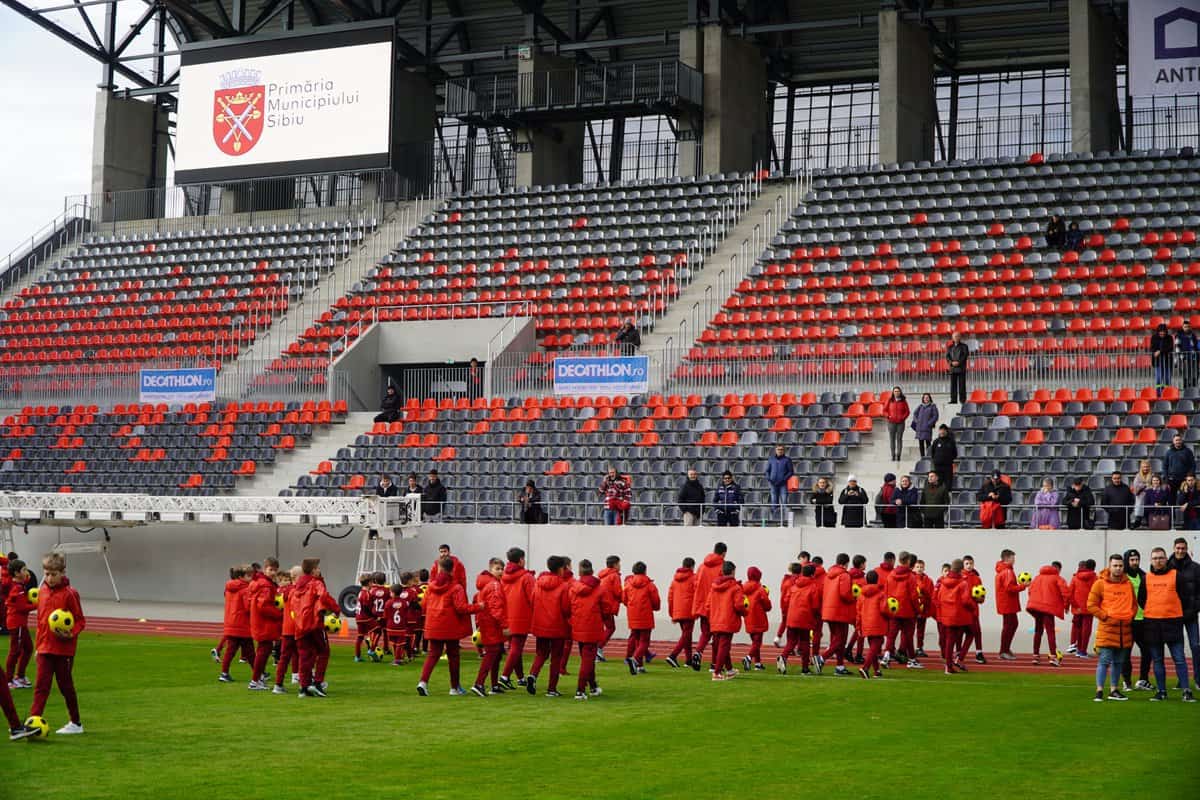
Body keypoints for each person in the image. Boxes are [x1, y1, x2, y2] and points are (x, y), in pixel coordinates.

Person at [27, 553, 86, 735]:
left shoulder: (70, 594)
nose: (50, 578)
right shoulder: (42, 591)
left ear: (62, 573)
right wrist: (38, 647)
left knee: (65, 687)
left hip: (63, 650)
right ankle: (33, 722)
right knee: (41, 686)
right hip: (45, 648)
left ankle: (76, 723)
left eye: (54, 574)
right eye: (47, 574)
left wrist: (70, 633)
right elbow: (41, 623)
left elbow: (80, 621)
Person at [1139, 547, 1195, 702]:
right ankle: (1161, 691)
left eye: (1161, 558)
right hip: (1152, 624)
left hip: (1173, 623)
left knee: (1179, 659)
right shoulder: (1146, 578)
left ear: (1166, 559)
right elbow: (1142, 601)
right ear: (1151, 560)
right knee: (1157, 660)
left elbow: (1185, 598)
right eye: (1155, 558)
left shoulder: (1177, 576)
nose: (1158, 561)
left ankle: (1186, 691)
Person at [416, 556, 477, 697]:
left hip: (433, 624)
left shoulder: (431, 586)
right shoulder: (456, 587)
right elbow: (461, 608)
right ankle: (454, 687)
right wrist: (479, 607)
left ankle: (423, 682)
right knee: (453, 655)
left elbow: (424, 605)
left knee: (433, 654)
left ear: (439, 568)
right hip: (450, 626)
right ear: (453, 569)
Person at [1089, 554, 1136, 701]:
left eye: (1120, 566)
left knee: (1118, 662)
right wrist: (1105, 617)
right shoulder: (1100, 584)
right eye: (1115, 565)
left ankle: (1114, 690)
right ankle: (1099, 690)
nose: (1118, 568)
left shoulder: (1128, 584)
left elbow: (1134, 604)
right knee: (1104, 661)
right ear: (1109, 566)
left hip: (1124, 630)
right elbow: (1091, 605)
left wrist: (1130, 616)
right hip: (1108, 629)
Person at [569, 559, 616, 700]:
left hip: (578, 625)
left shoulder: (573, 588)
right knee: (587, 660)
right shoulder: (600, 589)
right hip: (593, 627)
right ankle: (580, 689)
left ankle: (593, 685)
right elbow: (607, 609)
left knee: (586, 658)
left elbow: (569, 605)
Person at [526, 555, 572, 697]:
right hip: (557, 624)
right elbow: (566, 608)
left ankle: (533, 674)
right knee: (556, 657)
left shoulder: (538, 583)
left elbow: (532, 601)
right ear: (560, 569)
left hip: (540, 623)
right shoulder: (563, 586)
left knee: (541, 653)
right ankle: (551, 688)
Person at [294, 558, 338, 698]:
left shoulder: (297, 585)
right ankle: (317, 682)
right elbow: (324, 596)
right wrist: (335, 609)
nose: (319, 570)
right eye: (318, 567)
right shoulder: (315, 583)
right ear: (313, 570)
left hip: (300, 625)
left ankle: (304, 687)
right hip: (314, 623)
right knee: (324, 652)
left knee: (304, 656)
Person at [469, 558, 508, 698]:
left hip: (487, 621)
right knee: (492, 652)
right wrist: (505, 625)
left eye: (501, 568)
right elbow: (496, 607)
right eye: (497, 569)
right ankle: (479, 683)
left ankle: (494, 685)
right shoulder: (494, 585)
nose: (500, 571)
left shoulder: (491, 584)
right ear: (491, 569)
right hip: (491, 623)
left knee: (496, 654)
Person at [499, 547, 535, 689]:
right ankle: (505, 676)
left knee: (514, 648)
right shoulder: (526, 577)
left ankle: (520, 677)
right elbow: (533, 597)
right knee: (516, 647)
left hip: (507, 615)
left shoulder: (503, 576)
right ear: (521, 560)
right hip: (521, 616)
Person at [1167, 538, 1200, 689]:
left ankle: (1198, 679)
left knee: (1195, 647)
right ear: (1174, 548)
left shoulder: (1196, 568)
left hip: (1191, 615)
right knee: (1177, 649)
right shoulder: (1166, 567)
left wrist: (1194, 608)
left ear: (1187, 549)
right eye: (1178, 548)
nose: (1180, 551)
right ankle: (1182, 680)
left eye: (1183, 548)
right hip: (1173, 616)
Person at [778, 563, 822, 675]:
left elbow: (786, 600)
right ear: (812, 575)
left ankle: (783, 657)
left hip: (792, 617)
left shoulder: (794, 586)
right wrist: (816, 617)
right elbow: (816, 606)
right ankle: (805, 668)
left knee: (791, 641)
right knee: (805, 643)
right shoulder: (813, 587)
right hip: (805, 618)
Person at [706, 561, 746, 681]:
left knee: (723, 647)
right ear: (733, 571)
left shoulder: (713, 587)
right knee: (724, 646)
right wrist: (746, 611)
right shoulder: (735, 587)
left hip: (715, 619)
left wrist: (711, 617)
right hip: (728, 619)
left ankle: (729, 670)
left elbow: (708, 605)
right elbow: (739, 605)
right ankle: (717, 672)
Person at [689, 542, 726, 670]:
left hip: (703, 604)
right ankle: (714, 663)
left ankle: (698, 651)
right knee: (717, 636)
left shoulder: (701, 566)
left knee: (705, 633)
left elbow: (695, 584)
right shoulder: (723, 567)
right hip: (717, 605)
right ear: (724, 553)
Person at [935, 560, 975, 675]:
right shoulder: (963, 583)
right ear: (961, 569)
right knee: (971, 633)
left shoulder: (943, 582)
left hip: (947, 615)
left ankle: (948, 666)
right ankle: (959, 658)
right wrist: (973, 606)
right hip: (959, 615)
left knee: (949, 640)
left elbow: (939, 597)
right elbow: (966, 601)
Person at [819, 553, 856, 676]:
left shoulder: (828, 575)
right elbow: (845, 594)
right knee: (840, 640)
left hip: (829, 610)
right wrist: (854, 597)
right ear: (846, 563)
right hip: (840, 611)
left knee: (837, 639)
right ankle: (822, 659)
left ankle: (840, 666)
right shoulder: (844, 575)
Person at [248, 558, 282, 690]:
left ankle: (258, 679)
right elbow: (264, 606)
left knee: (264, 651)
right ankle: (255, 681)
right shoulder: (265, 585)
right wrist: (279, 614)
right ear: (265, 569)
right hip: (264, 623)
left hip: (259, 622)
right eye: (271, 569)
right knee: (264, 651)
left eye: (275, 570)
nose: (273, 572)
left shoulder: (257, 583)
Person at [883, 552, 923, 669]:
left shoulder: (891, 575)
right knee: (908, 636)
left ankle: (886, 655)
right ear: (908, 561)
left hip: (894, 609)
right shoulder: (911, 577)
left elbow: (886, 592)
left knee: (892, 635)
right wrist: (917, 610)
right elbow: (914, 596)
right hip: (908, 610)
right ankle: (911, 659)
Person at [1122, 549, 1152, 692]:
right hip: (1128, 620)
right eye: (1132, 560)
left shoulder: (1144, 575)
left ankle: (1143, 680)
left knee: (1147, 651)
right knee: (1125, 653)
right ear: (1127, 560)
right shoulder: (1122, 577)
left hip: (1143, 620)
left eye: (1137, 559)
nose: (1135, 562)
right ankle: (1126, 681)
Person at [1027, 563, 1069, 666]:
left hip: (1035, 607)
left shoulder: (1037, 577)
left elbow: (1030, 590)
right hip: (1048, 607)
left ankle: (1035, 656)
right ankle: (1053, 657)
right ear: (1058, 569)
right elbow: (1066, 593)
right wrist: (1066, 606)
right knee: (1050, 632)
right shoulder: (1058, 578)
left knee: (1038, 630)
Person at [621, 562, 660, 675]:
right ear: (645, 571)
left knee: (637, 640)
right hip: (645, 615)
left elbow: (624, 599)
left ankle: (639, 666)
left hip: (633, 615)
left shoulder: (628, 584)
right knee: (644, 641)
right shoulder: (649, 585)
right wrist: (654, 608)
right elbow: (656, 601)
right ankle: (635, 659)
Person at [218, 565, 253, 683]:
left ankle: (224, 673)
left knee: (230, 651)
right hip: (242, 624)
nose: (251, 578)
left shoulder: (228, 589)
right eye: (248, 576)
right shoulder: (245, 590)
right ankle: (259, 674)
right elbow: (248, 608)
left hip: (230, 623)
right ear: (241, 577)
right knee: (250, 652)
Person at [4, 560, 35, 689]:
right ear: (16, 573)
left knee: (28, 648)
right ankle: (9, 680)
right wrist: (40, 604)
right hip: (17, 624)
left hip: (20, 623)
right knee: (15, 651)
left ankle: (20, 676)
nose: (26, 572)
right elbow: (22, 607)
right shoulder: (17, 589)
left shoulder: (19, 585)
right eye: (23, 570)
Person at [994, 549, 1028, 660]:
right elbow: (1009, 588)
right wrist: (1023, 586)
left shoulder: (1003, 571)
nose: (1014, 560)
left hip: (1005, 603)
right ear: (1007, 558)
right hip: (1008, 603)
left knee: (1010, 625)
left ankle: (1005, 649)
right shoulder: (1007, 571)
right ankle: (1004, 650)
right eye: (1013, 558)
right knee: (1010, 626)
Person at [855, 570, 889, 679]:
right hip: (878, 622)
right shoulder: (881, 594)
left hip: (866, 623)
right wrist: (892, 613)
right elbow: (884, 610)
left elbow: (858, 612)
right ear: (877, 580)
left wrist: (858, 626)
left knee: (872, 647)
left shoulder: (861, 595)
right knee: (876, 646)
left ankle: (877, 670)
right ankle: (865, 667)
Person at [665, 557, 697, 669]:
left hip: (678, 611)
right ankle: (673, 655)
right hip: (689, 611)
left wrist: (672, 613)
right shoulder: (694, 578)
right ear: (692, 566)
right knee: (686, 635)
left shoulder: (674, 580)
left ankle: (689, 660)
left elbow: (670, 597)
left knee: (686, 635)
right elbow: (697, 595)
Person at [272, 566, 300, 692]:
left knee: (285, 657)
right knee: (305, 655)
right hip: (297, 627)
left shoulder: (285, 591)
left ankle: (278, 684)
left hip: (287, 628)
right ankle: (305, 683)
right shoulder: (296, 590)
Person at [741, 567, 772, 671]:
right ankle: (748, 658)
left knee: (755, 642)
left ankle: (758, 663)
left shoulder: (743, 589)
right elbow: (767, 605)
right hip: (758, 617)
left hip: (747, 617)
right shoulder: (760, 589)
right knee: (757, 642)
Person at [1067, 560, 1098, 658]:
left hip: (1078, 608)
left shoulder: (1075, 577)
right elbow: (1099, 593)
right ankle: (1082, 650)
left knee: (1077, 628)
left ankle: (1074, 645)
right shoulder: (1095, 578)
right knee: (1086, 630)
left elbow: (1069, 592)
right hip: (1090, 607)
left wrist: (1071, 605)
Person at [961, 555, 987, 664]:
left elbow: (981, 593)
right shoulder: (960, 577)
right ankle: (959, 652)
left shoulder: (977, 578)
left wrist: (981, 598)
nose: (969, 566)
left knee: (977, 631)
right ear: (963, 565)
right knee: (960, 633)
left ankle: (979, 652)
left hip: (974, 609)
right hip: (963, 610)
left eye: (971, 563)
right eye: (967, 563)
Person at [596, 556, 622, 659]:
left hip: (600, 604)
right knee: (611, 628)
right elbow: (618, 592)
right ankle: (598, 648)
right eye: (619, 564)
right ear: (615, 565)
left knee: (602, 628)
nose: (620, 566)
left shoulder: (602, 575)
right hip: (608, 605)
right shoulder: (614, 576)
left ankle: (598, 650)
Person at [764, 445, 794, 524]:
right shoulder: (771, 459)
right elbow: (767, 471)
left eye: (781, 449)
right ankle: (775, 519)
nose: (780, 451)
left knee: (784, 501)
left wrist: (784, 479)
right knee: (774, 501)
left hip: (783, 484)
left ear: (784, 451)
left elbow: (791, 472)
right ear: (775, 450)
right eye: (778, 449)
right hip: (773, 483)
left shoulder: (787, 460)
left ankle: (785, 520)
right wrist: (769, 479)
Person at [913, 559, 936, 658]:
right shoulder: (911, 578)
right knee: (909, 630)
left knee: (921, 630)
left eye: (921, 567)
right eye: (917, 567)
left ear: (924, 568)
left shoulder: (928, 580)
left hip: (923, 608)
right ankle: (906, 649)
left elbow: (931, 595)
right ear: (914, 568)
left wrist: (927, 606)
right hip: (913, 608)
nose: (919, 569)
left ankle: (919, 647)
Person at [884, 386, 910, 461]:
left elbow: (907, 411)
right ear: (893, 392)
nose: (896, 392)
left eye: (898, 391)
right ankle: (893, 455)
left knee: (899, 439)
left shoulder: (903, 401)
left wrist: (903, 418)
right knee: (892, 439)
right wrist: (888, 416)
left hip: (900, 423)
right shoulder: (889, 400)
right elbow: (884, 410)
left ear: (900, 392)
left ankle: (899, 455)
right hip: (891, 423)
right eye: (895, 391)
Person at [929, 424, 957, 489]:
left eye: (944, 430)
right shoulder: (936, 441)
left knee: (948, 483)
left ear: (946, 431)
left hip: (948, 466)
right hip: (938, 466)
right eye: (941, 430)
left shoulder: (951, 442)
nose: (942, 432)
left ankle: (947, 497)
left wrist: (949, 460)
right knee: (938, 483)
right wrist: (936, 460)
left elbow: (955, 453)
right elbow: (932, 452)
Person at [910, 393, 938, 458]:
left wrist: (929, 423)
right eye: (925, 398)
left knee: (928, 443)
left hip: (927, 428)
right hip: (920, 428)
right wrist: (917, 421)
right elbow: (915, 413)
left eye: (927, 397)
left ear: (930, 398)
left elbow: (935, 416)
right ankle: (922, 457)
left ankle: (929, 456)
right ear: (923, 399)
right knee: (921, 443)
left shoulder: (933, 406)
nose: (926, 399)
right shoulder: (920, 406)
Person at [945, 332, 970, 404]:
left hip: (961, 368)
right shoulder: (949, 347)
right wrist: (951, 362)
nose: (956, 338)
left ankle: (962, 400)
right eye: (955, 336)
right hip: (953, 368)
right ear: (952, 338)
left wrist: (958, 362)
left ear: (960, 337)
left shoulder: (964, 346)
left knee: (962, 385)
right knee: (953, 385)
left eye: (958, 336)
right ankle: (953, 400)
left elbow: (965, 356)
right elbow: (947, 356)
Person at [1150, 323, 1174, 397]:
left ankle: (1167, 394)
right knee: (1158, 379)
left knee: (1167, 379)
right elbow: (1152, 348)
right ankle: (1159, 394)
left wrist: (1160, 351)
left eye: (1164, 332)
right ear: (1158, 331)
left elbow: (1170, 348)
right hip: (1157, 362)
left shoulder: (1169, 338)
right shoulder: (1154, 337)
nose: (1162, 333)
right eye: (1161, 331)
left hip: (1167, 362)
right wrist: (1155, 352)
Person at [1131, 460, 1154, 529]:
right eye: (1144, 467)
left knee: (1148, 510)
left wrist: (1147, 486)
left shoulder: (1152, 475)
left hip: (1149, 496)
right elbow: (1135, 487)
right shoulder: (1138, 476)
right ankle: (1137, 524)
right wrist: (1144, 485)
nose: (1145, 468)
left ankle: (1149, 524)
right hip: (1140, 497)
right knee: (1139, 510)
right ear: (1141, 467)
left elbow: (1154, 485)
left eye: (1147, 467)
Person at [1178, 319, 1198, 388]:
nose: (1187, 328)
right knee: (1186, 374)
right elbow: (1177, 347)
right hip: (1184, 358)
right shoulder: (1179, 335)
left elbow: (1196, 346)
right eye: (1185, 327)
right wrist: (1181, 358)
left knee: (1194, 373)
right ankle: (1186, 388)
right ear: (1182, 327)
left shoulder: (1193, 335)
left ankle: (1194, 387)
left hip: (1193, 358)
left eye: (1188, 327)